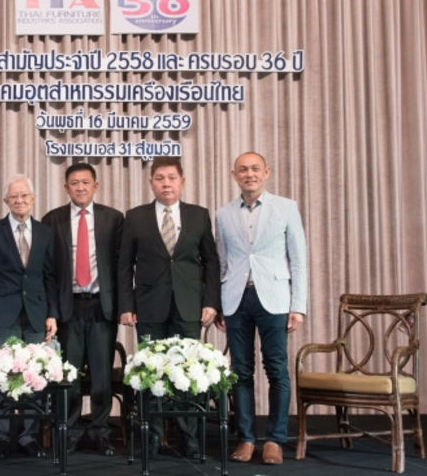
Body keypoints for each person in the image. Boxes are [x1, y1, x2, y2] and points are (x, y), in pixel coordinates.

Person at [118, 156, 221, 458]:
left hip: (189, 307)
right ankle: (152, 436)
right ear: (151, 182)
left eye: (171, 178)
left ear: (182, 181)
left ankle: (188, 436)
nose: (166, 184)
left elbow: (211, 262)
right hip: (149, 308)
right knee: (151, 371)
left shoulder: (198, 215)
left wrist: (211, 302)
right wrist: (126, 305)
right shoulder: (135, 217)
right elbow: (124, 265)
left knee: (187, 372)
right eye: (160, 178)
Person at [214, 152, 307, 465]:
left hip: (275, 297)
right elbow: (222, 261)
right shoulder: (223, 214)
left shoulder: (286, 207)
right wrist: (219, 305)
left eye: (255, 169)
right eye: (243, 169)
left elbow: (298, 260)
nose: (249, 174)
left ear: (266, 172)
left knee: (276, 368)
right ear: (234, 175)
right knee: (240, 371)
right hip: (236, 299)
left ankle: (275, 440)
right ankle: (246, 438)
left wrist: (298, 305)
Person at [41, 163, 124, 457]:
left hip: (102, 306)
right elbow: (48, 272)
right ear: (66, 188)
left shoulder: (113, 219)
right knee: (70, 376)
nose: (80, 187)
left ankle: (101, 433)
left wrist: (123, 307)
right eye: (74, 183)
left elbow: (121, 267)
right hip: (69, 307)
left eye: (85, 182)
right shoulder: (52, 220)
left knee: (101, 377)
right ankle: (71, 432)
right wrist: (52, 311)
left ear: (95, 186)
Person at [0, 174, 59, 459]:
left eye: (24, 195)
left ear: (33, 199)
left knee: (35, 374)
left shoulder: (46, 233)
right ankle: (2, 437)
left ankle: (28, 436)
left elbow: (50, 276)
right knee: (4, 373)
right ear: (5, 200)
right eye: (13, 196)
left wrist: (52, 313)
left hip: (37, 312)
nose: (19, 200)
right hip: (4, 312)